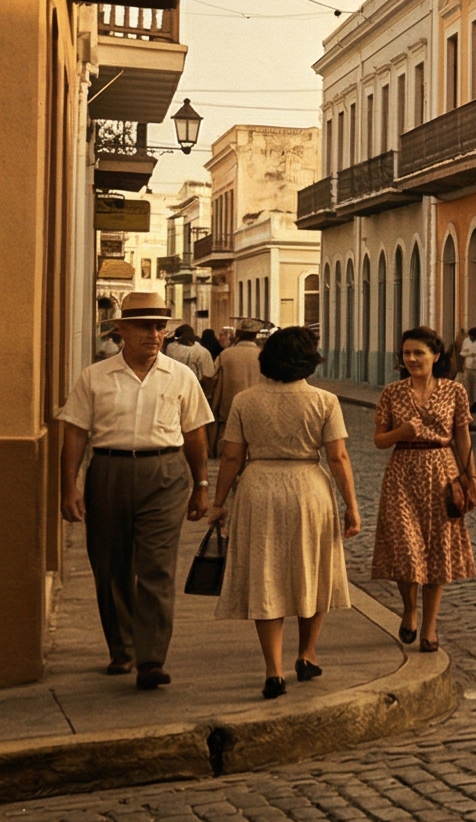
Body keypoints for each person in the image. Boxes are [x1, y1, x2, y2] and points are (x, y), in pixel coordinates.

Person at [58, 290, 212, 690]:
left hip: (165, 474)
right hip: (108, 471)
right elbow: (74, 433)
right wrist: (69, 487)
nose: (154, 334)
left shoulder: (181, 377)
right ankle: (122, 648)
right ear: (122, 329)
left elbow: (196, 433)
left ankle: (151, 659)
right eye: (144, 326)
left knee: (157, 567)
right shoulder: (93, 378)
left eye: (160, 327)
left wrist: (201, 484)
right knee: (111, 564)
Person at [208, 327, 359, 699]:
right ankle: (306, 654)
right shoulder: (324, 401)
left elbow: (231, 456)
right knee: (312, 569)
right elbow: (338, 456)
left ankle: (273, 670)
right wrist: (351, 506)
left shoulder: (246, 400)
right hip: (309, 487)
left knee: (266, 574)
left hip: (259, 488)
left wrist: (218, 501)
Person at [371, 327, 476, 652]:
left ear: (435, 356)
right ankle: (410, 608)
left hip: (442, 472)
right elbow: (378, 440)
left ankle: (430, 627)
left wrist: (470, 479)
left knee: (438, 550)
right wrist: (401, 432)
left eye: (419, 353)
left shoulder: (454, 392)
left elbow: (463, 438)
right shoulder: (392, 393)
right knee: (405, 547)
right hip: (402, 473)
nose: (412, 359)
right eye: (406, 354)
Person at [212, 327, 262, 436]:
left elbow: (214, 380)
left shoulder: (225, 355)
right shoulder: (263, 356)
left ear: (237, 335)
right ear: (255, 336)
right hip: (257, 415)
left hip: (229, 414)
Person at [458, 327, 476, 414]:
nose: (471, 337)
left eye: (473, 336)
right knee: (468, 385)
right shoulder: (466, 341)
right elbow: (462, 353)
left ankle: (475, 403)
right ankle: (468, 403)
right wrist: (469, 353)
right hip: (468, 366)